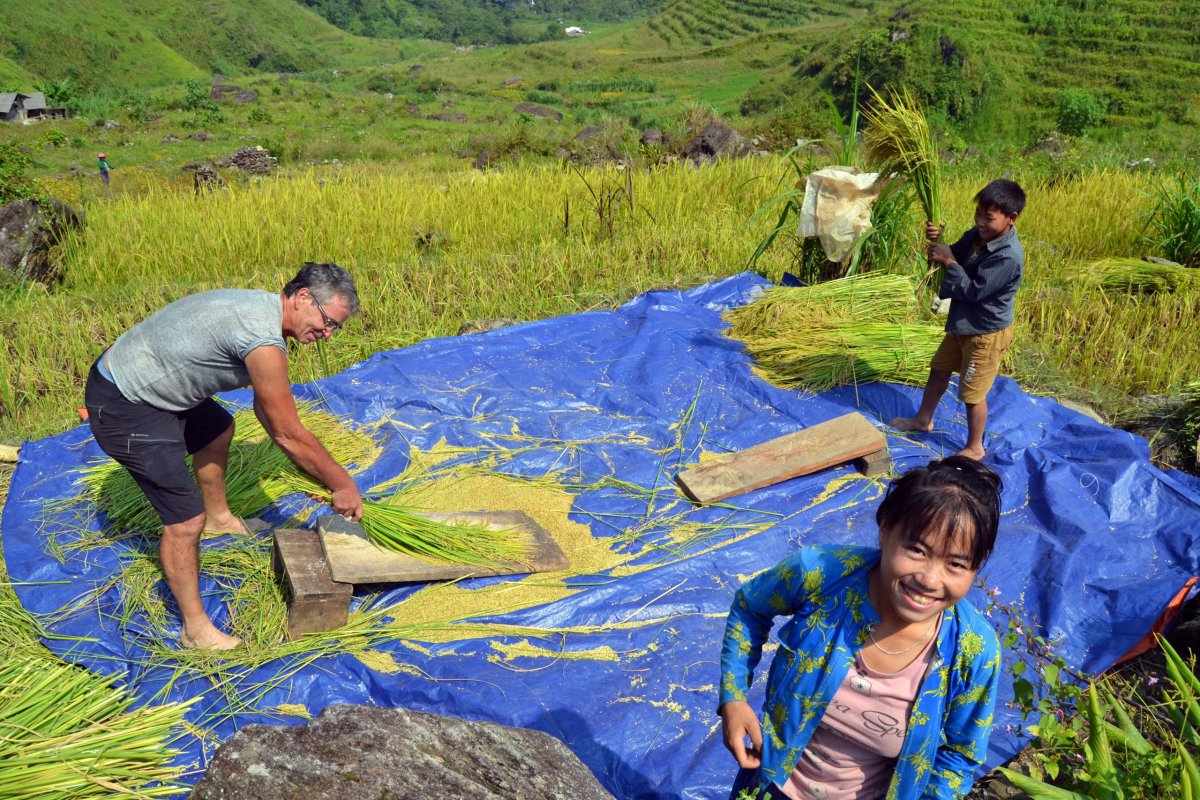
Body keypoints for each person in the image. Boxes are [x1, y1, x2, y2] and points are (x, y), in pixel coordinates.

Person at [83, 262, 365, 650]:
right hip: (125, 402)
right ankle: (195, 630)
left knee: (217, 428)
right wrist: (341, 483)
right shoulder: (263, 341)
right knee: (184, 523)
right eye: (328, 321)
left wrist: (326, 475)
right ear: (302, 298)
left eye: (337, 328)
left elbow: (269, 415)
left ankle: (219, 519)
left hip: (145, 379)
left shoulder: (264, 313)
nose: (329, 334)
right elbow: (286, 432)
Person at [718, 456, 1003, 800]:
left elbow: (959, 756)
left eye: (956, 564)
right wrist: (732, 696)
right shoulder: (821, 575)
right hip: (768, 785)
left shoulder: (974, 651)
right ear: (885, 529)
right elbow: (750, 607)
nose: (929, 579)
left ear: (977, 567)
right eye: (916, 549)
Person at [890, 179, 1026, 460]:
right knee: (938, 369)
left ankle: (975, 447)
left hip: (984, 333)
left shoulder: (1008, 256)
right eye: (978, 214)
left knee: (972, 393)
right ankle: (923, 420)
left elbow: (974, 290)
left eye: (988, 218)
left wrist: (950, 262)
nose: (980, 222)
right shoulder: (977, 236)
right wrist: (937, 240)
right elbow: (953, 250)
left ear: (1011, 219)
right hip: (961, 324)